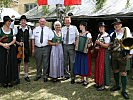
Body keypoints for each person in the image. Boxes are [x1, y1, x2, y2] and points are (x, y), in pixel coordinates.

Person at [110, 18, 133, 99]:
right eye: (115, 25)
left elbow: (131, 42)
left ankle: (124, 90)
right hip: (114, 55)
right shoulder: (112, 34)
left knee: (123, 73)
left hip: (123, 55)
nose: (116, 26)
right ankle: (117, 85)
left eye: (118, 24)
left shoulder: (126, 33)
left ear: (121, 25)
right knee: (115, 71)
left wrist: (130, 53)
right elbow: (111, 45)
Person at [32, 17, 54, 82]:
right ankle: (38, 75)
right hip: (37, 48)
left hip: (46, 48)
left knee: (45, 62)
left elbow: (52, 39)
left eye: (43, 21)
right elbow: (32, 39)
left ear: (45, 22)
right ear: (39, 22)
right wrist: (33, 49)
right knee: (38, 62)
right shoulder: (35, 29)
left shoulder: (49, 30)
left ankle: (45, 75)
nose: (42, 22)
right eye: (41, 21)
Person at [0, 16, 18, 87]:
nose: (10, 23)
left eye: (10, 21)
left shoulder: (12, 30)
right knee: (2, 64)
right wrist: (3, 45)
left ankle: (10, 81)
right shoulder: (0, 30)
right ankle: (3, 81)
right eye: (8, 21)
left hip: (11, 49)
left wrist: (9, 44)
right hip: (1, 49)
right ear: (5, 21)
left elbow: (14, 40)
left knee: (11, 64)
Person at [61, 16, 79, 84]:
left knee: (72, 62)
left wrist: (76, 43)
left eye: (68, 20)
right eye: (66, 21)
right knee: (65, 61)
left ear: (70, 21)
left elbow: (77, 36)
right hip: (64, 46)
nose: (67, 22)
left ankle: (73, 77)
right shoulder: (62, 28)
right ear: (64, 22)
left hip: (72, 46)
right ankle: (66, 75)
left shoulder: (74, 28)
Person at [74, 22, 92, 86]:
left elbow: (90, 44)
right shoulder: (79, 34)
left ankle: (86, 80)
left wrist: (87, 45)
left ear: (84, 26)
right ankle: (82, 79)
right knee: (81, 64)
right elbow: (77, 43)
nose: (79, 26)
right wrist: (76, 44)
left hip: (85, 52)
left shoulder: (88, 34)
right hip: (79, 52)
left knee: (85, 64)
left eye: (80, 25)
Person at [94, 22, 110, 91]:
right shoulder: (99, 35)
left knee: (103, 68)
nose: (101, 28)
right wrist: (96, 47)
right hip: (99, 53)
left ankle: (103, 84)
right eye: (100, 27)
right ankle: (98, 82)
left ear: (104, 28)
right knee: (98, 67)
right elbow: (97, 44)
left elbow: (107, 45)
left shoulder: (106, 35)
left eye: (102, 27)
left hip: (104, 53)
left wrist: (99, 43)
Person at [16, 15, 32, 83]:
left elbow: (30, 39)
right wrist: (18, 43)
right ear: (20, 22)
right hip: (18, 48)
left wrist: (30, 48)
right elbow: (14, 39)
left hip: (26, 48)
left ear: (26, 22)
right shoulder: (16, 29)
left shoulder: (29, 29)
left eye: (24, 20)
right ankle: (18, 76)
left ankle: (26, 75)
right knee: (18, 63)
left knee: (26, 62)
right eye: (22, 20)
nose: (23, 22)